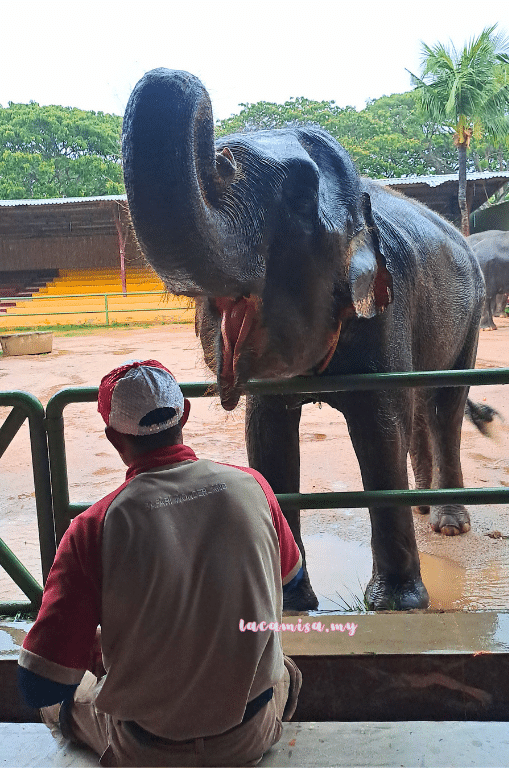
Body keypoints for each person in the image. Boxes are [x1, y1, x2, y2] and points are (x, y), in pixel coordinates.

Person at [18, 359, 303, 767]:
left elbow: (36, 686)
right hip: (248, 738)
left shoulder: (92, 527)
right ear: (184, 412)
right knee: (284, 668)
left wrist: (100, 645)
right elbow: (292, 583)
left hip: (145, 751)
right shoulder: (253, 486)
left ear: (114, 437)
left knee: (64, 700)